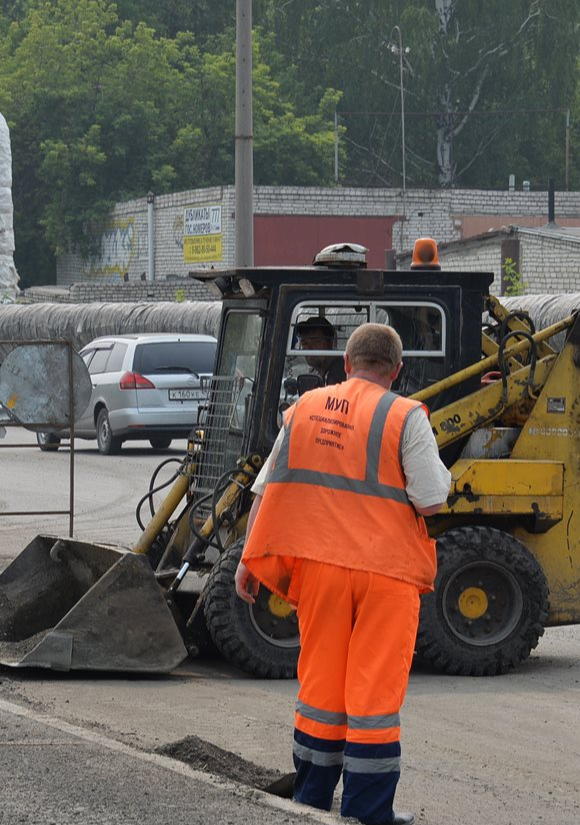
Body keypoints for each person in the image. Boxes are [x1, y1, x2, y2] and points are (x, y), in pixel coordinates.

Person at [235, 323, 451, 825]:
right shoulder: (404, 414)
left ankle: (310, 803)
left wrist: (250, 558)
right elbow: (431, 498)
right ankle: (367, 813)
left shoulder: (306, 408)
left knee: (320, 690)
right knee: (373, 696)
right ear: (396, 372)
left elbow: (267, 488)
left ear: (347, 363)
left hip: (319, 570)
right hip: (386, 574)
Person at [294, 316, 348, 385]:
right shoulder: (318, 373)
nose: (309, 348)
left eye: (315, 341)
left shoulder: (340, 373)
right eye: (304, 343)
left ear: (330, 342)